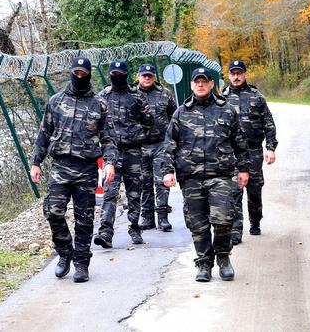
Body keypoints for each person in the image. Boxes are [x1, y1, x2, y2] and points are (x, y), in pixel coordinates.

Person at [31, 56, 117, 283]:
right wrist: (36, 162)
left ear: (88, 75)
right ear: (71, 73)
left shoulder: (99, 104)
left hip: (87, 168)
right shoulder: (56, 101)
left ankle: (81, 262)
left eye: (83, 74)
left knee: (84, 219)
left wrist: (109, 162)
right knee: (53, 211)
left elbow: (108, 138)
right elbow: (44, 133)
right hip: (60, 166)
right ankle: (64, 252)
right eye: (76, 73)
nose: (79, 77)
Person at [162, 68, 250, 282]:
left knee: (223, 220)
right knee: (197, 224)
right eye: (197, 82)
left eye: (204, 82)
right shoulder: (181, 113)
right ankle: (203, 264)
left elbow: (240, 142)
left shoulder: (227, 110)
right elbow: (168, 146)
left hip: (221, 176)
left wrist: (244, 169)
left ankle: (223, 257)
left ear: (212, 84)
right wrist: (167, 171)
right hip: (191, 177)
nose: (200, 85)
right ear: (192, 85)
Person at [93, 60, 153, 247]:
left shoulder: (137, 96)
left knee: (134, 193)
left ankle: (135, 228)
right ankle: (105, 232)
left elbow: (149, 121)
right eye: (114, 74)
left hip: (133, 152)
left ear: (126, 75)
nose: (117, 77)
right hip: (111, 154)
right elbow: (96, 124)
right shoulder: (103, 96)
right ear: (110, 74)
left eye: (120, 74)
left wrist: (137, 135)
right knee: (110, 192)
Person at [222, 60, 278, 244]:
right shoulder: (222, 98)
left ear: (245, 74)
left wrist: (270, 148)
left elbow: (268, 124)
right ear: (228, 75)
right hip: (231, 153)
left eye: (239, 73)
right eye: (233, 73)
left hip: (252, 151)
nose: (236, 77)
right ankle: (236, 230)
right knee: (234, 190)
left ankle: (255, 221)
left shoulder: (257, 97)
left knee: (254, 190)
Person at [137, 64, 177, 232]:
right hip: (139, 145)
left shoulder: (164, 94)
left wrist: (173, 142)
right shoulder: (132, 95)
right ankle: (147, 217)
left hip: (161, 143)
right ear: (138, 76)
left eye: (150, 75)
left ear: (154, 77)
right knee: (144, 182)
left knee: (162, 181)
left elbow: (173, 117)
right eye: (144, 75)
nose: (147, 78)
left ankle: (163, 217)